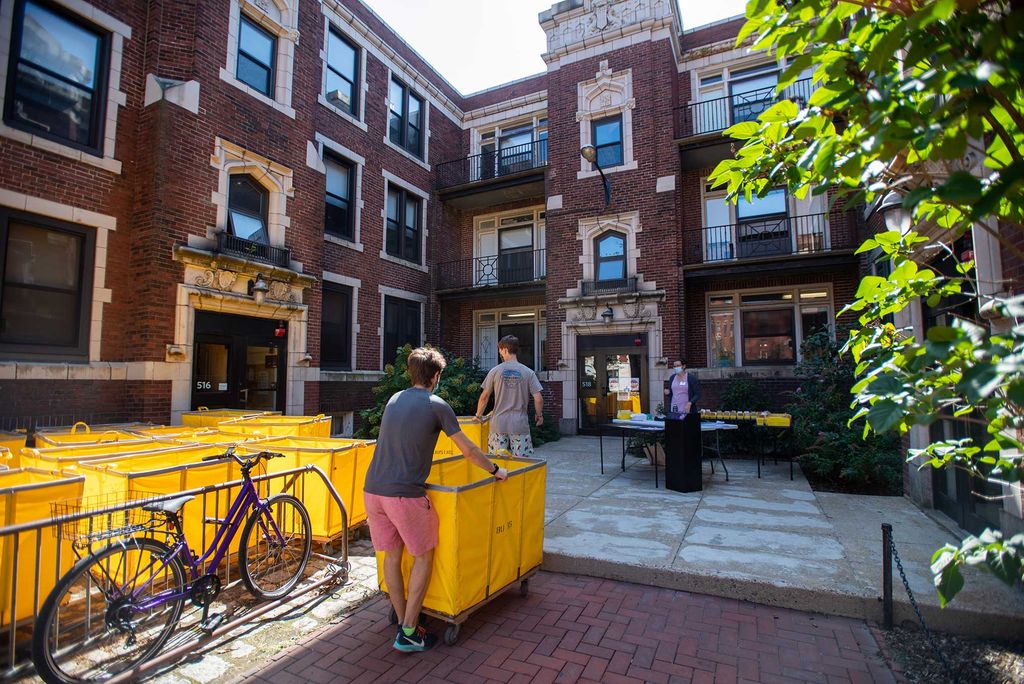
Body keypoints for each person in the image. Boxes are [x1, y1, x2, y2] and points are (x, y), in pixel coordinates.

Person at [364, 347, 509, 653]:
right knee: (424, 555)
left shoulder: (394, 400)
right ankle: (408, 632)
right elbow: (467, 449)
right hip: (405, 494)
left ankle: (406, 623)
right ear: (435, 376)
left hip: (373, 490)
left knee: (391, 556)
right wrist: (496, 469)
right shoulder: (436, 405)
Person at [475, 335, 544, 457]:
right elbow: (538, 399)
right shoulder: (528, 372)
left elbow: (484, 396)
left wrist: (478, 415)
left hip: (498, 425)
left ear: (505, 350)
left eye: (500, 350)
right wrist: (539, 415)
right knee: (522, 465)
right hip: (519, 424)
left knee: (497, 464)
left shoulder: (495, 371)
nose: (499, 353)